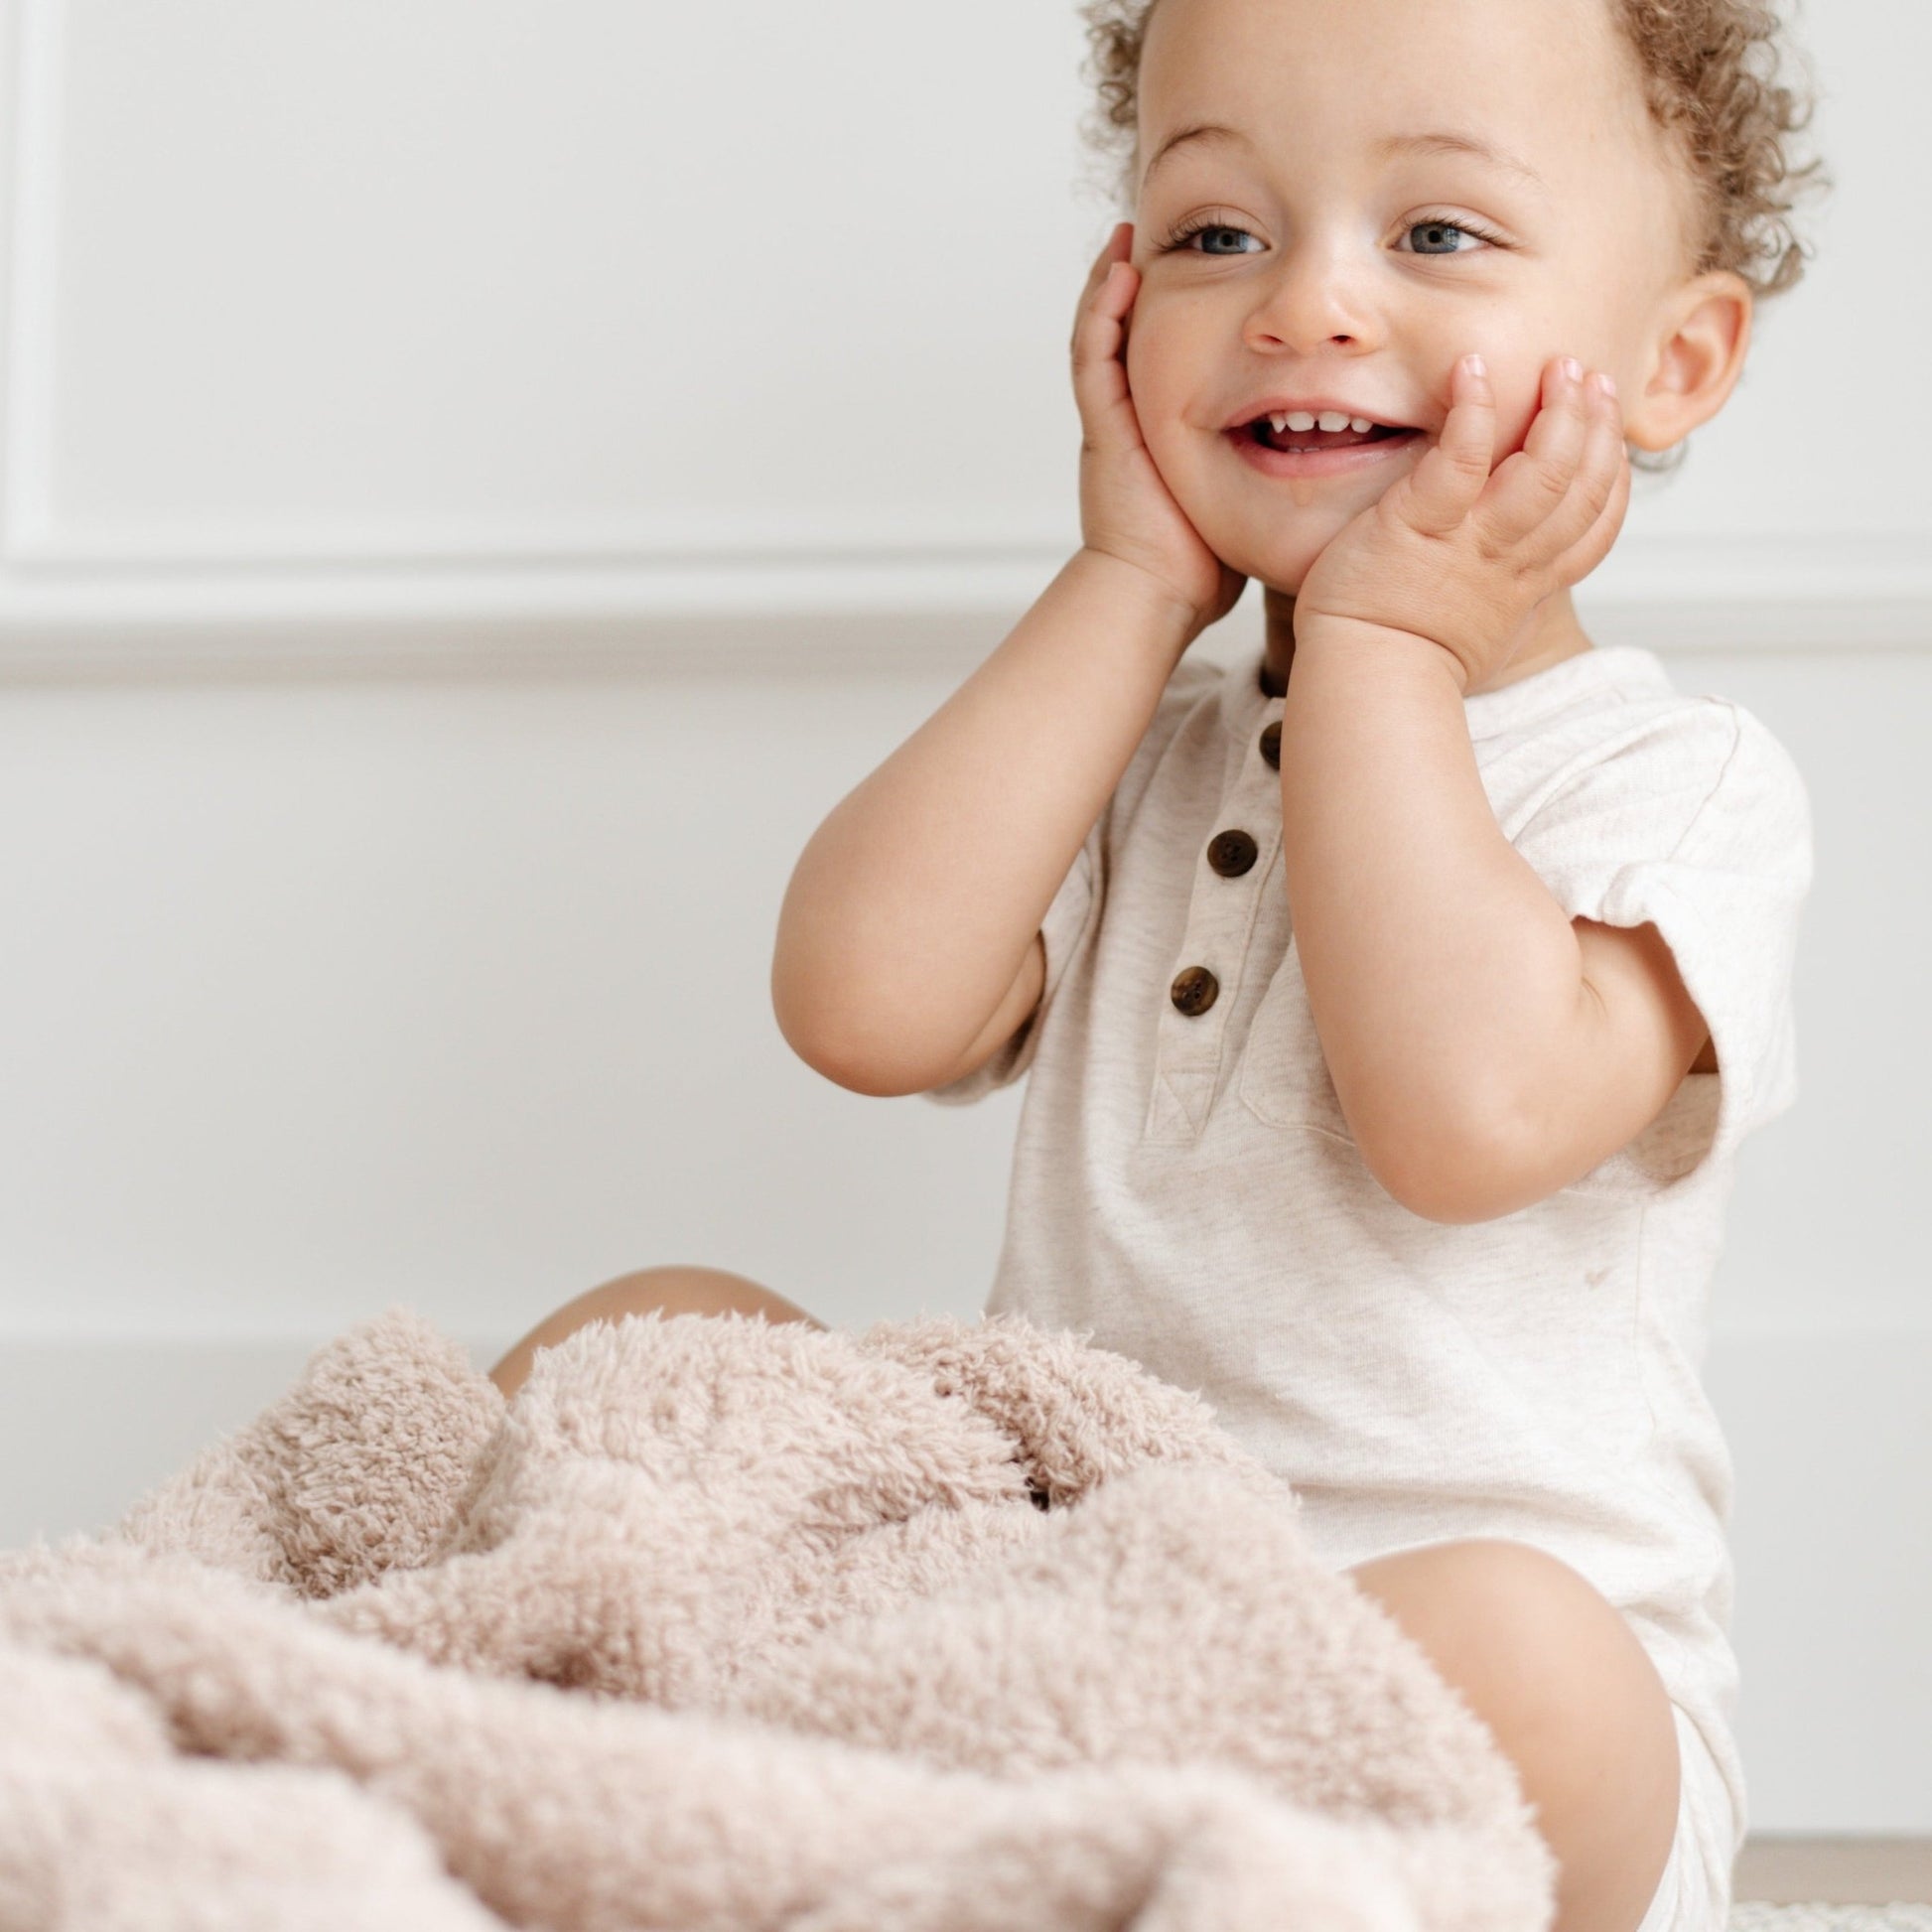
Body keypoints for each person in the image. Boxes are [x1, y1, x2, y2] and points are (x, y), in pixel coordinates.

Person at [493, 3, 1828, 1929]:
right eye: (1215, 234)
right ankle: (892, 1836)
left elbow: (1463, 1119)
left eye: (1436, 235)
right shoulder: (1142, 741)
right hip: (1061, 1618)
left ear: (1671, 358)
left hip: (1442, 1713)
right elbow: (858, 1007)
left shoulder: (1676, 784)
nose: (1302, 305)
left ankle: (913, 1837)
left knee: (1531, 1661)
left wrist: (1382, 641)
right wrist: (1124, 583)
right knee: (650, 1337)